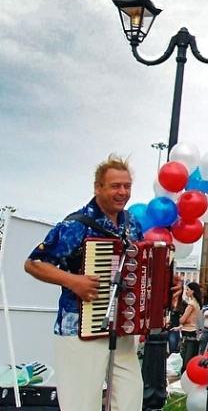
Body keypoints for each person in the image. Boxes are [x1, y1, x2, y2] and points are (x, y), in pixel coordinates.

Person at [23, 155, 144, 410]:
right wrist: (73, 280)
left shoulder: (131, 224)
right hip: (79, 328)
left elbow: (140, 266)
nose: (122, 192)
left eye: (127, 186)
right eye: (115, 186)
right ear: (98, 188)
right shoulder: (76, 224)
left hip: (120, 327)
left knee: (130, 401)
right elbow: (34, 263)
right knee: (81, 404)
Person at [179, 282, 203, 374]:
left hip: (188, 332)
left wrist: (181, 318)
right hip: (194, 332)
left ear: (192, 291)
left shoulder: (191, 304)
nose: (186, 292)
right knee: (191, 359)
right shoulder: (197, 304)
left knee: (185, 359)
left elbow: (182, 320)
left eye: (188, 290)